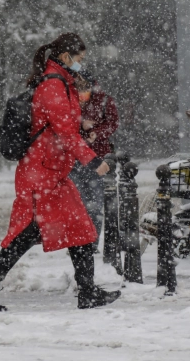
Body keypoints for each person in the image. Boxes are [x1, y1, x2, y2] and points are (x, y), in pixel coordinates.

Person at [0, 33, 120, 311]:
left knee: (79, 229)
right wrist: (92, 160)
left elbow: (62, 125)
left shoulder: (63, 82)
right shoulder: (53, 84)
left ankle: (87, 292)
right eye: (78, 58)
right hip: (41, 173)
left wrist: (83, 127)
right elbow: (63, 130)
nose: (80, 63)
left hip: (52, 173)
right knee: (30, 232)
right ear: (65, 57)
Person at [69, 73, 119, 254]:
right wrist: (80, 123)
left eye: (85, 87)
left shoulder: (104, 101)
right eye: (78, 87)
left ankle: (91, 243)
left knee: (95, 203)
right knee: (76, 202)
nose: (82, 92)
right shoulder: (69, 99)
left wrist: (97, 132)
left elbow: (113, 123)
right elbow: (62, 123)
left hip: (96, 158)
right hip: (74, 158)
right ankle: (77, 243)